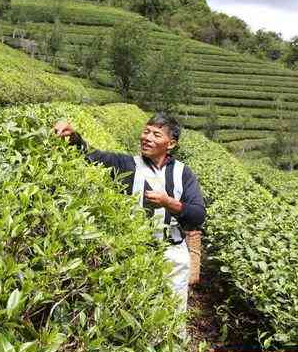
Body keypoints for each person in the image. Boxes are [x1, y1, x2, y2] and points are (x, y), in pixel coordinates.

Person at [53, 112, 206, 311]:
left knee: (172, 315)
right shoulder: (126, 164)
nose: (147, 138)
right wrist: (73, 136)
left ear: (171, 144)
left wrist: (169, 203)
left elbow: (197, 215)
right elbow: (92, 156)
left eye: (156, 135)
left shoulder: (183, 173)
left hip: (172, 254)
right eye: (146, 132)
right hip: (135, 252)